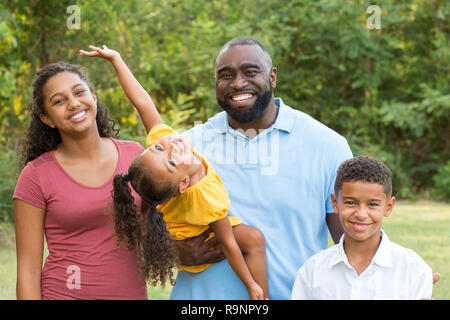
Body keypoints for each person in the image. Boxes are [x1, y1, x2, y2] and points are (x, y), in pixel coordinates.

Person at [168, 36, 354, 300]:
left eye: (250, 72)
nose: (238, 83)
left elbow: (352, 244)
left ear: (273, 76)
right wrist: (174, 249)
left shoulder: (327, 145)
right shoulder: (186, 147)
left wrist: (400, 284)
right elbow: (143, 224)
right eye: (226, 75)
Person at [79, 45, 269, 300]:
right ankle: (264, 298)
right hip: (192, 241)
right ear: (183, 184)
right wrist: (251, 285)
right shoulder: (206, 197)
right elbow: (228, 243)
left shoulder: (168, 144)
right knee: (254, 238)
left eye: (157, 147)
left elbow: (142, 101)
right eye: (170, 160)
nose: (169, 145)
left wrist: (117, 60)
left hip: (175, 223)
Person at [13, 62, 148, 299]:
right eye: (59, 101)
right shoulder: (35, 175)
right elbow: (28, 270)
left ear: (93, 97)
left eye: (79, 92)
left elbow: (160, 225)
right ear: (47, 119)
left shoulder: (135, 156)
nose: (74, 103)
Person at [290, 156, 433, 299]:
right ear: (335, 203)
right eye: (351, 203)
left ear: (388, 207)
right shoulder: (312, 271)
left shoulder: (414, 271)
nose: (361, 214)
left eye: (372, 204)